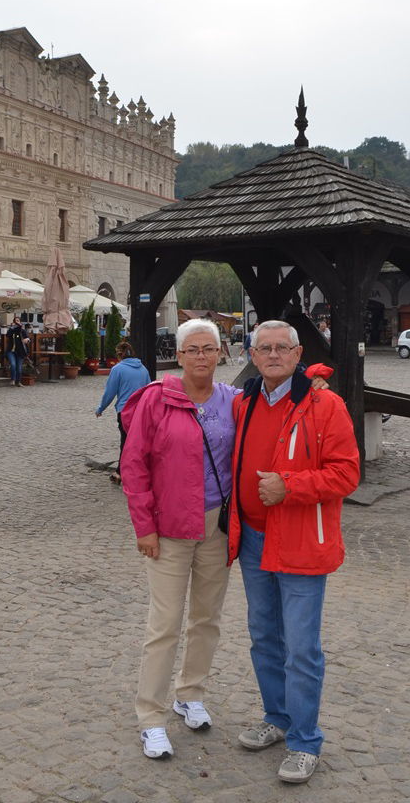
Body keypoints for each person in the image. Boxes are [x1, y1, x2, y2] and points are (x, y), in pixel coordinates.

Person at [228, 320, 360, 784]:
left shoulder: (325, 404)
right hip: (253, 540)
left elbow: (347, 473)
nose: (272, 355)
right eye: (263, 348)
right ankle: (277, 716)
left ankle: (305, 741)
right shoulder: (243, 401)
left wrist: (290, 486)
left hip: (301, 540)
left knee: (301, 648)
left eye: (282, 347)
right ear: (251, 354)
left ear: (298, 353)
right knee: (264, 637)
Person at [120, 319, 238, 760]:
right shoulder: (157, 399)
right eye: (193, 349)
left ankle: (190, 693)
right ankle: (150, 716)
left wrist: (314, 384)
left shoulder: (233, 400)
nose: (201, 356)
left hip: (217, 526)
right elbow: (133, 465)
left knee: (207, 618)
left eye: (209, 348)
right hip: (168, 528)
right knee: (165, 625)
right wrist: (144, 527)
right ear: (180, 355)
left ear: (220, 353)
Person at [96, 341, 151, 485]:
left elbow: (110, 392)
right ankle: (129, 472)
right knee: (137, 442)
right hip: (140, 411)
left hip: (125, 411)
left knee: (125, 442)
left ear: (119, 354)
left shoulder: (118, 369)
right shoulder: (143, 369)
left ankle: (120, 473)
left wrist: (101, 408)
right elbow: (149, 391)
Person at [5, 316, 30, 387]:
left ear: (20, 322)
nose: (17, 322)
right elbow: (7, 335)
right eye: (15, 321)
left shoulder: (22, 331)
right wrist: (11, 327)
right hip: (11, 351)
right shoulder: (11, 330)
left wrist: (27, 339)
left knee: (19, 368)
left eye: (18, 321)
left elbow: (28, 338)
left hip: (19, 352)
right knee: (13, 365)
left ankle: (18, 382)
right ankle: (12, 380)